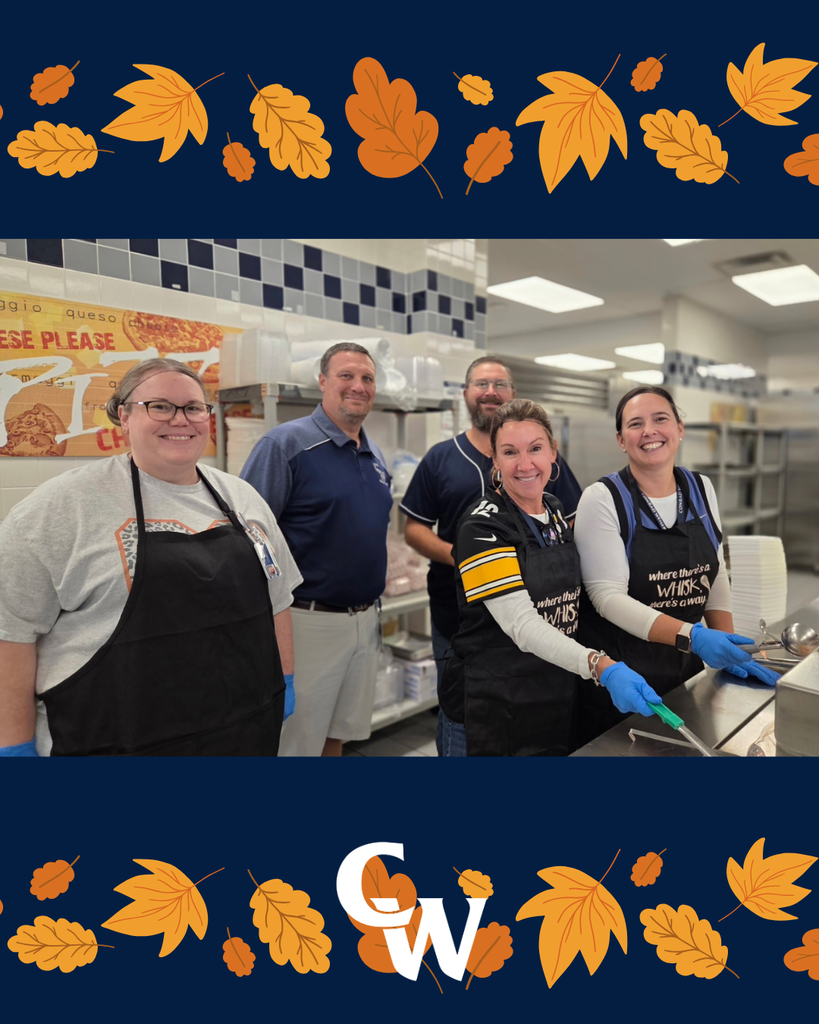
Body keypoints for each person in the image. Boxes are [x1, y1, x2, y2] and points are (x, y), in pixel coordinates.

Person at [0, 358, 299, 757]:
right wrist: (13, 744)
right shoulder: (57, 509)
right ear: (123, 416)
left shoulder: (243, 498)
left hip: (242, 727)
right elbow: (11, 635)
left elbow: (278, 601)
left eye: (193, 407)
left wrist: (287, 680)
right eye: (159, 406)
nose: (181, 420)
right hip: (111, 738)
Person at [441, 398, 660, 756]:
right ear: (494, 460)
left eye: (536, 449)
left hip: (552, 693)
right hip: (495, 704)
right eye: (510, 452)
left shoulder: (556, 512)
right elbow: (523, 626)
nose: (525, 464)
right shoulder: (481, 527)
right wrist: (600, 666)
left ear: (553, 453)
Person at [573, 385, 780, 745]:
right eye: (635, 424)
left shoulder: (701, 487)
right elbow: (607, 598)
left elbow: (714, 573)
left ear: (680, 428)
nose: (649, 431)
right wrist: (694, 636)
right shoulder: (604, 498)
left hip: (685, 672)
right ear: (621, 440)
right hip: (624, 678)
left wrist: (728, 646)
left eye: (660, 419)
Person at [400, 355, 582, 755]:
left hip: (544, 651)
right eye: (481, 384)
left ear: (551, 453)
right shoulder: (443, 462)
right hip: (466, 623)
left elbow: (570, 527)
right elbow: (412, 528)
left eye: (499, 384)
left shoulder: (550, 495)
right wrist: (477, 560)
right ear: (495, 462)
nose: (490, 392)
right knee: (471, 712)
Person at [241, 341, 392, 757]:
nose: (357, 386)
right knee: (296, 745)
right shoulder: (285, 444)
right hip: (307, 621)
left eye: (367, 378)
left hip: (365, 620)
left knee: (336, 734)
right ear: (322, 381)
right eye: (346, 375)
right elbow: (247, 537)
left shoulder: (374, 453)